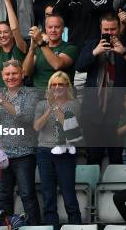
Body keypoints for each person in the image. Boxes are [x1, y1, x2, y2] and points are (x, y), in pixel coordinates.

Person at [0, 59, 40, 226]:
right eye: (7, 74)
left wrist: (3, 101)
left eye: (14, 73)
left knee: (27, 194)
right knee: (3, 196)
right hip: (2, 154)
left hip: (24, 153)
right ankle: (6, 226)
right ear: (2, 76)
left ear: (22, 74)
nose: (11, 77)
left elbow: (26, 117)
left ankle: (34, 228)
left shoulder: (31, 93)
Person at [75, 12, 126, 166]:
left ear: (119, 28)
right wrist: (95, 52)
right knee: (93, 158)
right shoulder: (91, 45)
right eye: (106, 30)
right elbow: (79, 66)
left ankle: (118, 191)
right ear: (100, 29)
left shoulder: (124, 46)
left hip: (117, 113)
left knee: (116, 159)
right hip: (93, 112)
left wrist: (123, 53)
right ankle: (92, 190)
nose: (109, 33)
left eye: (113, 29)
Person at [33, 71, 82, 228]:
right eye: (54, 84)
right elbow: (36, 127)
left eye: (61, 84)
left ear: (67, 86)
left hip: (65, 153)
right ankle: (51, 226)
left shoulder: (73, 104)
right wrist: (49, 108)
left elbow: (68, 127)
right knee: (48, 194)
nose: (57, 87)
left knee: (69, 194)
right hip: (44, 152)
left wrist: (56, 107)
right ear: (49, 87)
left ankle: (75, 226)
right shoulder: (41, 104)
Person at [23, 14, 78, 88]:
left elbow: (57, 64)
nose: (53, 30)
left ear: (63, 29)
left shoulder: (70, 47)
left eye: (57, 27)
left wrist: (41, 42)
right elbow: (25, 73)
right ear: (45, 29)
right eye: (50, 27)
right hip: (37, 94)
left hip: (60, 94)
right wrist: (32, 49)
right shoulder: (38, 48)